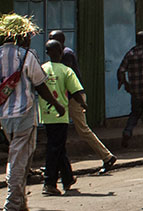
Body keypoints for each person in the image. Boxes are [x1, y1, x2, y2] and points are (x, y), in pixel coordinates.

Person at [0, 14, 62, 211]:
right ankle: (10, 210)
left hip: (3, 114)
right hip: (25, 113)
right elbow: (40, 83)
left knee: (22, 157)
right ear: (20, 35)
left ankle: (21, 205)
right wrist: (56, 104)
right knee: (18, 161)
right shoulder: (25, 55)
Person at [49, 31, 115, 172]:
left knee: (83, 130)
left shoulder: (66, 54)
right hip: (68, 97)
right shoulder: (63, 54)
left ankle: (107, 156)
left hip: (74, 97)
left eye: (52, 40)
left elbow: (66, 79)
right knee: (61, 132)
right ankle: (57, 164)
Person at [39, 39, 85, 196]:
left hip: (46, 115)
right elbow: (76, 91)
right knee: (54, 148)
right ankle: (49, 182)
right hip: (61, 115)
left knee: (58, 147)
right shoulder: (66, 71)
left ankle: (67, 178)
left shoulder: (41, 69)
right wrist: (83, 104)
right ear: (61, 52)